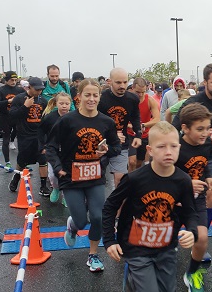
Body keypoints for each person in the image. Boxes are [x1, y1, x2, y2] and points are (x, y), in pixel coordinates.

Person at [102, 121, 198, 292]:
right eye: (161, 146)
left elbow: (190, 212)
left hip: (166, 247)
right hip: (136, 247)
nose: (168, 152)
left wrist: (192, 231)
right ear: (150, 150)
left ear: (179, 147)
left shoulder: (183, 180)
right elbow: (110, 205)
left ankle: (133, 283)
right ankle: (134, 277)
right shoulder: (135, 179)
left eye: (173, 146)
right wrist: (109, 240)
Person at [46, 79, 121, 272]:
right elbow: (51, 147)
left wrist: (106, 151)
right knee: (81, 220)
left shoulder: (106, 122)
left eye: (95, 95)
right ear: (78, 97)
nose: (92, 99)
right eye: (87, 95)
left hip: (95, 177)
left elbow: (116, 147)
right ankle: (73, 226)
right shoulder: (67, 121)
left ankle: (93, 255)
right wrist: (57, 167)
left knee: (97, 217)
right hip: (71, 177)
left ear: (99, 97)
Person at [173, 63, 212, 243]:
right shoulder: (192, 103)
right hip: (189, 156)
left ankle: (200, 238)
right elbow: (174, 127)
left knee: (210, 193)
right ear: (205, 82)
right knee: (183, 196)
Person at [175, 103, 212, 291]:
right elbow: (160, 175)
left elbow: (203, 163)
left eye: (207, 128)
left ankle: (191, 273)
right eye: (200, 129)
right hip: (171, 200)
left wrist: (208, 177)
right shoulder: (175, 147)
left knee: (202, 238)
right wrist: (187, 184)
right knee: (162, 244)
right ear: (185, 128)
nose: (205, 133)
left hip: (196, 198)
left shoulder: (206, 143)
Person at [98, 68, 142, 188]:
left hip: (121, 144)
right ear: (110, 81)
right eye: (118, 82)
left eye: (125, 82)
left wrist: (138, 135)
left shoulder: (132, 99)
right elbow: (95, 122)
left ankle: (117, 205)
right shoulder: (101, 99)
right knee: (98, 179)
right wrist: (112, 135)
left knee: (120, 180)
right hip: (101, 143)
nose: (122, 86)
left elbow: (135, 117)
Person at [8, 77, 50, 196]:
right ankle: (16, 178)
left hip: (39, 135)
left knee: (43, 160)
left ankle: (43, 186)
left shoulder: (43, 101)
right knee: (23, 161)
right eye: (36, 89)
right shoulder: (19, 99)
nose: (39, 92)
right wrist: (25, 107)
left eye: (41, 89)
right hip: (24, 135)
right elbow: (12, 117)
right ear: (29, 87)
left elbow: (46, 118)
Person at [38, 92, 72, 205]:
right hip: (53, 150)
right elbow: (40, 132)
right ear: (56, 103)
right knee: (53, 175)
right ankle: (56, 188)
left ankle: (66, 195)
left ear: (70, 104)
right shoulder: (49, 117)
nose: (64, 106)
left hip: (68, 151)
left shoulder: (73, 117)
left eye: (67, 103)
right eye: (61, 103)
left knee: (67, 174)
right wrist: (42, 146)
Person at [0, 71, 25, 170]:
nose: (14, 82)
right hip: (5, 118)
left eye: (15, 80)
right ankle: (7, 162)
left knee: (22, 140)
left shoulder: (19, 90)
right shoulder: (0, 90)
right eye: (11, 80)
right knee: (5, 140)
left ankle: (23, 163)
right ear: (6, 80)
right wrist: (8, 101)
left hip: (17, 117)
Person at [127, 78, 160, 172]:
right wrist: (129, 125)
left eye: (143, 92)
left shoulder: (150, 100)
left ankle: (135, 179)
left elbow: (157, 119)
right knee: (132, 161)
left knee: (138, 163)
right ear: (132, 88)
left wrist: (144, 125)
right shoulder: (127, 100)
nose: (140, 95)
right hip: (129, 134)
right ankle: (129, 182)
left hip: (143, 134)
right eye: (138, 92)